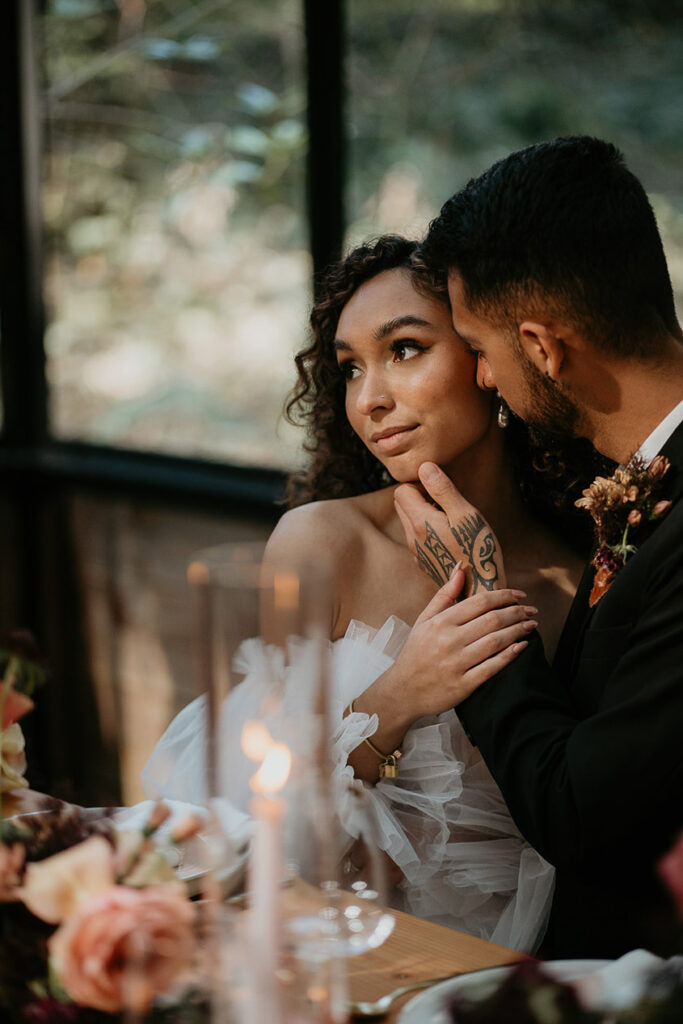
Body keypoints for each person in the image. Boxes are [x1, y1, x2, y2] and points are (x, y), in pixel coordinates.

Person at [143, 234, 601, 952]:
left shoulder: (579, 577)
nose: (370, 399)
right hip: (328, 964)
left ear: (486, 359)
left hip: (509, 977)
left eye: (405, 349)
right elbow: (241, 816)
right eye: (350, 369)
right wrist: (399, 696)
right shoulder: (321, 545)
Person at [384, 136, 683, 958]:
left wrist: (476, 594)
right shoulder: (642, 476)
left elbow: (582, 814)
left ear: (544, 348)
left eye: (479, 349)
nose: (483, 378)